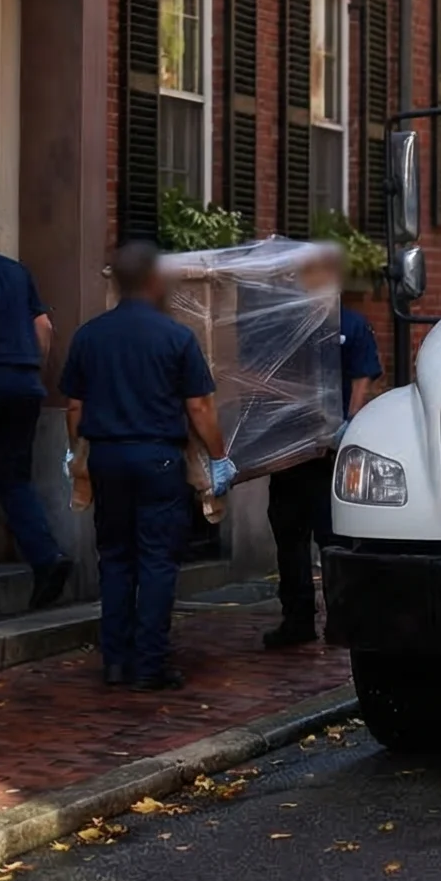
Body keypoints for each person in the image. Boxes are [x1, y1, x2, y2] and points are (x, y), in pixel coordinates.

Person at [60, 241, 236, 691]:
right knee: (157, 562)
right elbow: (199, 407)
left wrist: (74, 453)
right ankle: (150, 665)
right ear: (156, 282)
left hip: (106, 457)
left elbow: (74, 406)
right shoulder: (176, 336)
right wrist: (219, 458)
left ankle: (116, 662)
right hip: (157, 457)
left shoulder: (89, 335)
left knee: (115, 560)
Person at [264, 249, 383, 649]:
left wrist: (344, 431)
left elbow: (360, 385)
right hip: (293, 452)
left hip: (325, 454)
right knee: (295, 540)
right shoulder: (289, 327)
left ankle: (332, 620)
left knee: (328, 541)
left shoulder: (347, 324)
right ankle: (300, 620)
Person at [0, 216, 73, 608]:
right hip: (25, 382)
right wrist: (29, 370)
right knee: (13, 479)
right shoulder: (13, 269)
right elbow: (44, 328)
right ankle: (46, 556)